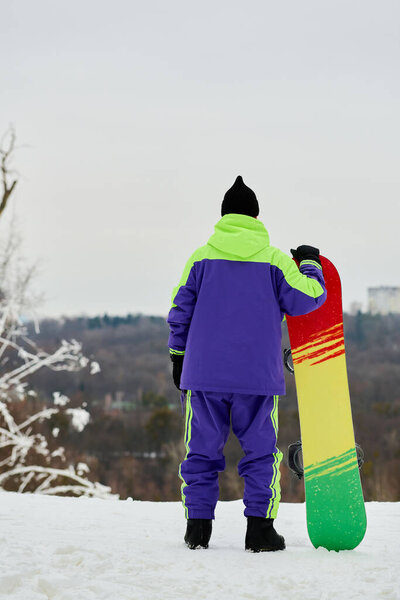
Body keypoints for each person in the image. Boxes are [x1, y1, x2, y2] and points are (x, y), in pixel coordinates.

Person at [167, 176, 326, 552]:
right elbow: (310, 297)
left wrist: (178, 357)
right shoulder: (273, 261)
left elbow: (179, 312)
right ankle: (260, 531)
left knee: (201, 452)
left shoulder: (201, 257)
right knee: (260, 454)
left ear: (223, 216)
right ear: (256, 217)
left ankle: (197, 530)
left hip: (205, 377)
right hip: (257, 379)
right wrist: (309, 262)